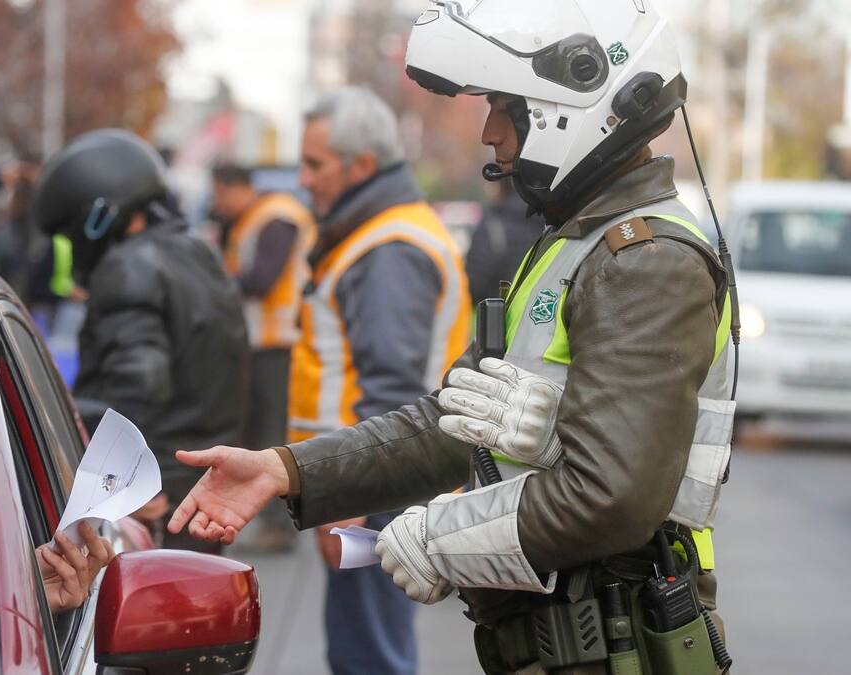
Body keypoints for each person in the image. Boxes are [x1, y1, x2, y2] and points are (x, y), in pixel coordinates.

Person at [169, 3, 736, 674]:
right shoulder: (573, 245)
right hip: (561, 645)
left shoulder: (645, 259)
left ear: (576, 101)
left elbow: (611, 495)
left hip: (617, 646)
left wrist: (441, 538)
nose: (493, 132)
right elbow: (451, 421)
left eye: (506, 106)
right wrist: (285, 470)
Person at [299, 86, 475, 675]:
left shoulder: (388, 249)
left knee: (367, 655)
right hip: (371, 486)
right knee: (367, 648)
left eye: (315, 164)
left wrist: (348, 498)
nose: (303, 179)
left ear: (363, 166)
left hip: (373, 493)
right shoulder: (383, 235)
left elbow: (392, 388)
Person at [34, 129, 248, 554]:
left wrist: (49, 413)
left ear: (95, 217)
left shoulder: (128, 268)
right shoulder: (194, 252)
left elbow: (136, 388)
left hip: (154, 496)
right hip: (200, 484)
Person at [211, 163, 316, 552]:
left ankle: (279, 524)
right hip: (261, 341)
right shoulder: (254, 218)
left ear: (235, 186)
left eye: (219, 194)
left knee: (271, 432)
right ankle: (272, 520)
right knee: (260, 430)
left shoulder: (277, 218)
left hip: (279, 341)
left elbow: (261, 279)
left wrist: (216, 283)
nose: (218, 204)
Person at [465, 180, 542, 305]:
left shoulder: (492, 226)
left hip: (501, 316)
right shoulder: (549, 225)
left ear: (501, 187)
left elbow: (475, 284)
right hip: (539, 312)